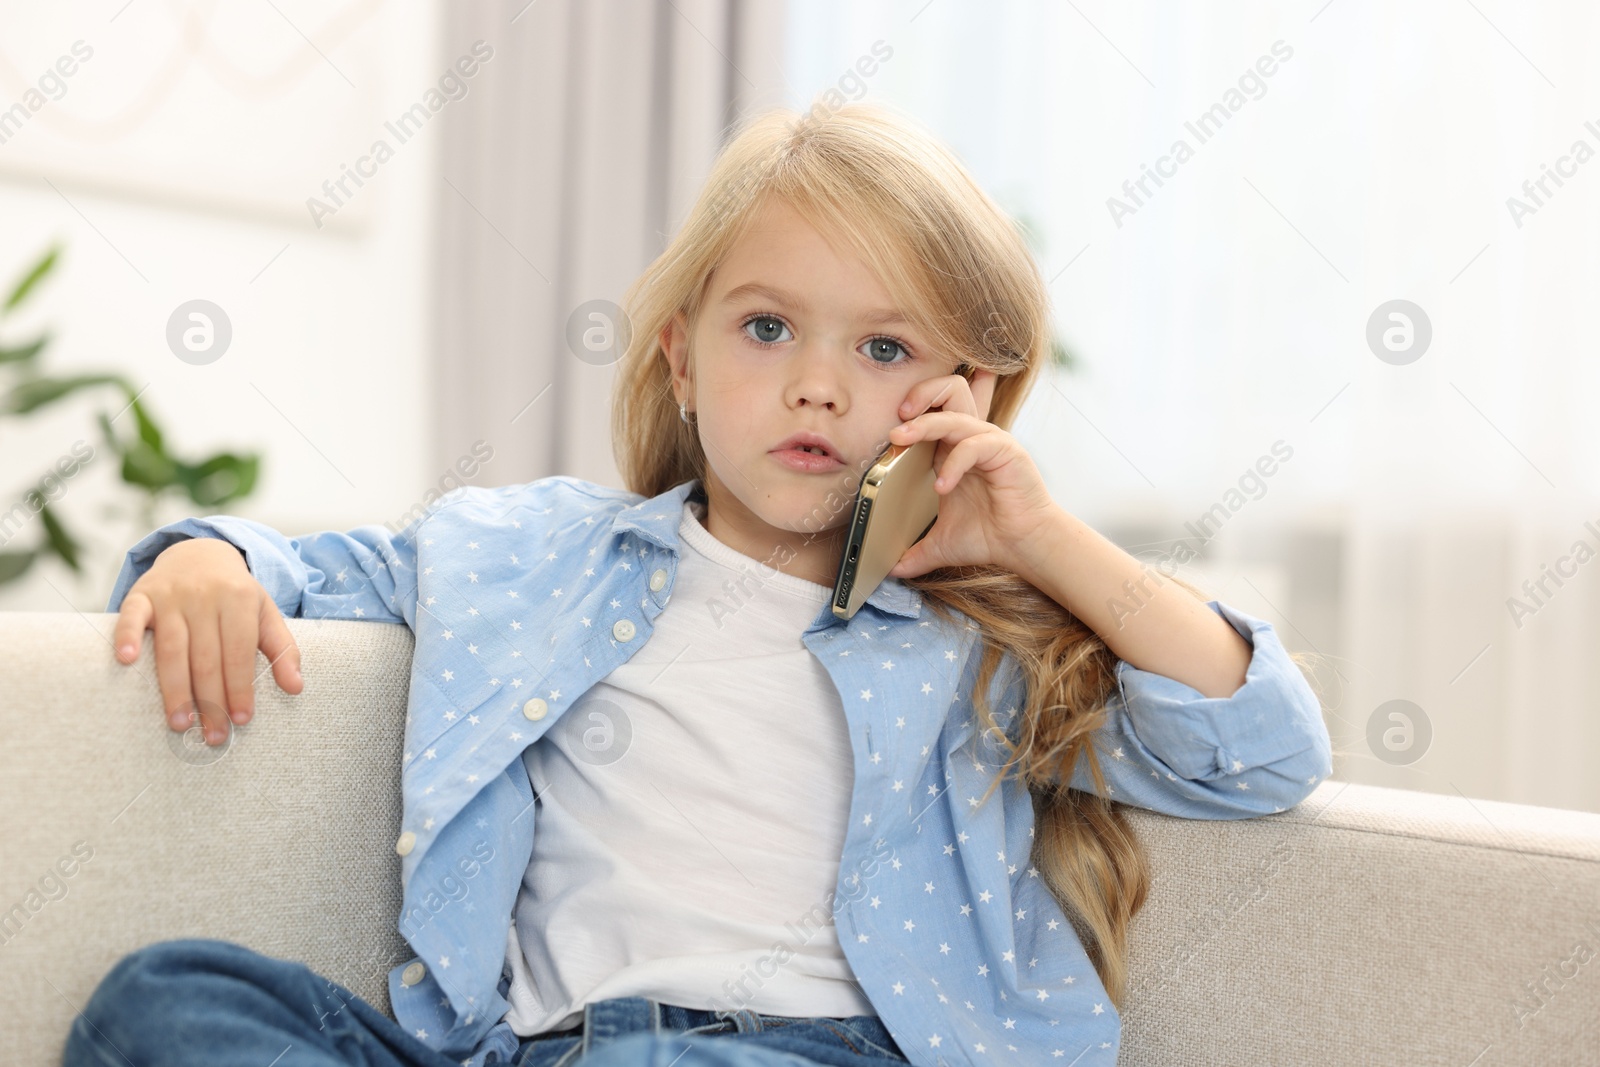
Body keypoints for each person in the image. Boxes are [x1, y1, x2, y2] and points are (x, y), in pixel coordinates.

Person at [66, 100, 1333, 1067]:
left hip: (812, 1049)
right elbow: (310, 568)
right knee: (162, 1001)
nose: (817, 385)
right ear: (680, 358)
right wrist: (206, 556)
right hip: (541, 1047)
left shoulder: (984, 644)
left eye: (883, 347)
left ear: (964, 398)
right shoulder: (530, 554)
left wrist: (1042, 537)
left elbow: (1263, 744)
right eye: (766, 326)